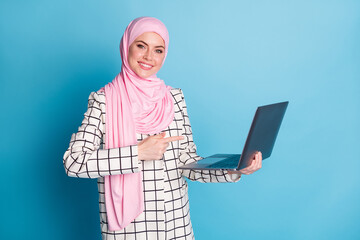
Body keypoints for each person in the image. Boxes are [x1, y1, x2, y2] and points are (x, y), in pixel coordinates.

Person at [63, 16, 262, 240]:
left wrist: (235, 169)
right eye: (141, 46)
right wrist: (137, 152)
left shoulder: (173, 98)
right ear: (127, 46)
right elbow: (74, 162)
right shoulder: (103, 101)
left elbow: (188, 164)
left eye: (158, 50)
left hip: (176, 226)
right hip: (130, 230)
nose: (149, 57)